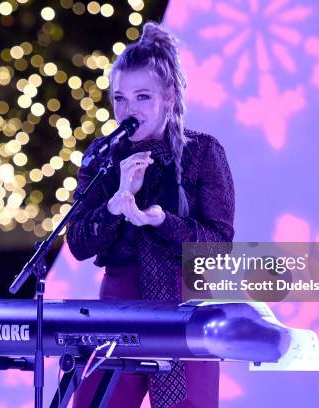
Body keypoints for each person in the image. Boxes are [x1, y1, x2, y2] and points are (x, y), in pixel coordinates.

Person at [66, 21, 235, 408]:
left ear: (169, 96)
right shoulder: (102, 157)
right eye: (120, 99)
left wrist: (162, 221)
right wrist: (114, 205)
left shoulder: (203, 153)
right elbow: (77, 243)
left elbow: (220, 248)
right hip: (118, 306)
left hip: (185, 309)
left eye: (142, 97)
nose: (129, 110)